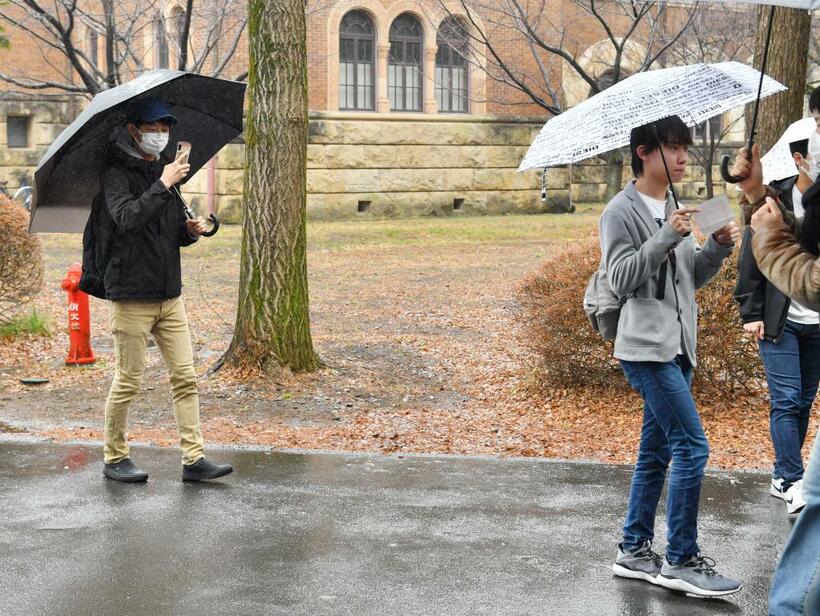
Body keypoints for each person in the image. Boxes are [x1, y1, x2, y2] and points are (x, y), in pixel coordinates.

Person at [603, 115, 742, 597]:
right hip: (645, 350)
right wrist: (665, 235)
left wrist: (717, 251)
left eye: (686, 148)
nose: (684, 157)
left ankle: (634, 549)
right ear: (644, 152)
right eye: (673, 148)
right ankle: (681, 559)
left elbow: (685, 283)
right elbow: (620, 280)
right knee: (692, 445)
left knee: (657, 451)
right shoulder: (619, 211)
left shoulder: (676, 204)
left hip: (679, 346)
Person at [84, 98, 233, 483]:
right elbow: (127, 219)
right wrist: (163, 183)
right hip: (132, 295)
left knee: (185, 377)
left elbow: (163, 232)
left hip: (170, 295)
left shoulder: (165, 175)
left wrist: (189, 231)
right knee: (129, 379)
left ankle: (193, 459)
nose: (161, 135)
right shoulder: (116, 173)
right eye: (153, 128)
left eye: (165, 128)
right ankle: (115, 457)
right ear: (134, 131)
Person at [731, 88, 820, 614]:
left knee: (803, 398)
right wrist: (752, 312)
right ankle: (787, 474)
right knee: (789, 399)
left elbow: (801, 256)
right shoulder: (788, 192)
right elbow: (759, 247)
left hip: (815, 322)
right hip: (784, 323)